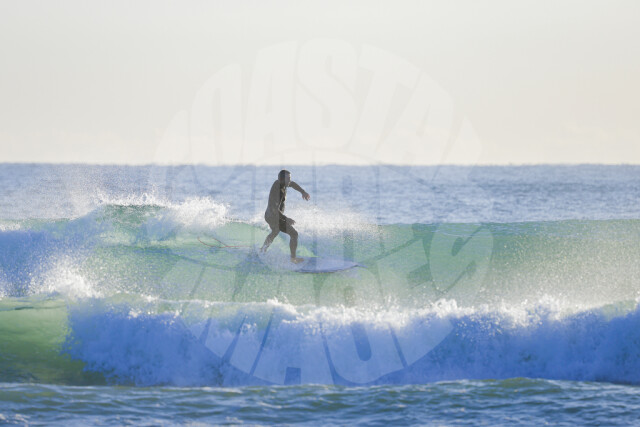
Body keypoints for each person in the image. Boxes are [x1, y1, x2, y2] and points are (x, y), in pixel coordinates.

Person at [260, 169, 310, 263]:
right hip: (273, 216)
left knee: (275, 231)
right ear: (281, 179)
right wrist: (286, 219)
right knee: (294, 234)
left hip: (269, 215)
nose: (289, 181)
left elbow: (293, 184)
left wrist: (303, 192)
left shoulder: (282, 183)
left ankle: (263, 249)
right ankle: (293, 259)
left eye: (290, 178)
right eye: (288, 179)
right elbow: (274, 209)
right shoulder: (277, 190)